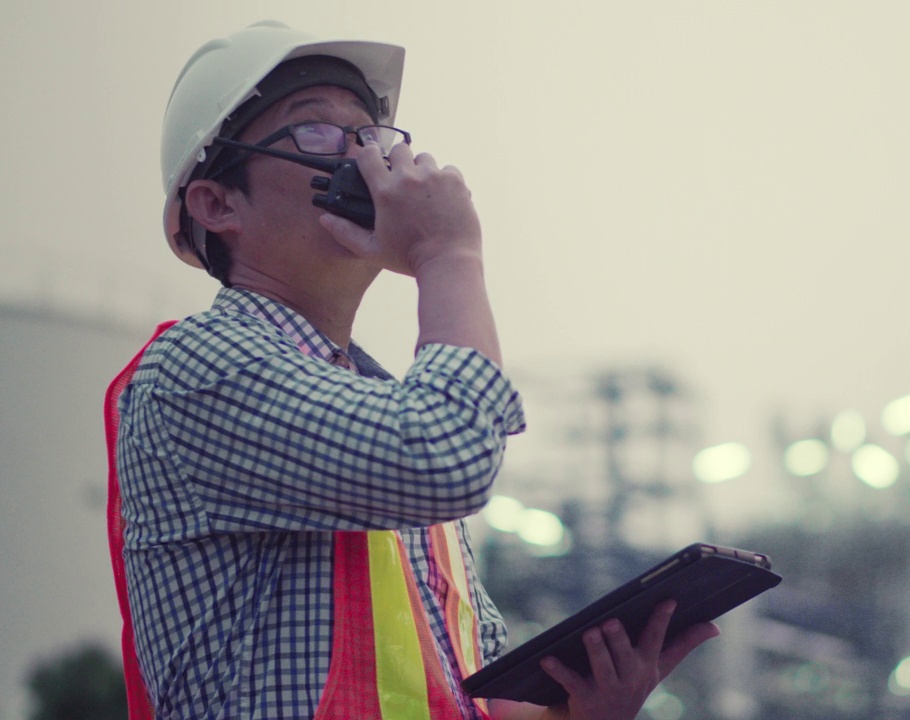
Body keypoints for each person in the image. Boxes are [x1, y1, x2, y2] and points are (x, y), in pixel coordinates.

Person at [106, 20, 717, 720]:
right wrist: (449, 257)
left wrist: (579, 711)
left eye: (368, 136)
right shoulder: (199, 368)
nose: (363, 162)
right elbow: (447, 453)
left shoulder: (382, 411)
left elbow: (469, 693)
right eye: (315, 133)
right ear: (217, 205)